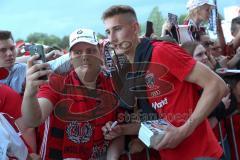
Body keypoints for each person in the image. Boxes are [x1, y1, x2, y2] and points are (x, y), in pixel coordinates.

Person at [101, 5, 228, 160]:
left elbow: (217, 85)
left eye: (117, 29)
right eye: (108, 32)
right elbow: (155, 121)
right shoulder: (134, 68)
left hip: (202, 154)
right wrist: (121, 130)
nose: (111, 38)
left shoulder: (161, 51)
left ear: (135, 28)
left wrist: (183, 131)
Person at [21, 28, 121, 159]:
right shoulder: (56, 83)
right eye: (78, 52)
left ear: (100, 52)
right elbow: (32, 120)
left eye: (90, 51)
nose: (85, 57)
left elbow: (120, 132)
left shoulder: (112, 84)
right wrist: (30, 92)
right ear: (71, 58)